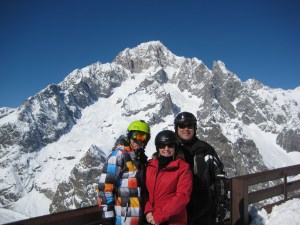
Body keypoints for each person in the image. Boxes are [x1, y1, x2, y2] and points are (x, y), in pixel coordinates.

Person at [174, 112, 228, 225]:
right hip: (179, 210)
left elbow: (220, 175)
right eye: (182, 126)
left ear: (195, 128)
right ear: (176, 128)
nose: (186, 129)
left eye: (190, 125)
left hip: (205, 209)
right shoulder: (171, 150)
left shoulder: (205, 149)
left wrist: (222, 203)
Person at [97, 120, 151, 225]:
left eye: (143, 137)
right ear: (129, 136)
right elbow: (104, 188)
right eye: (136, 136)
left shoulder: (139, 159)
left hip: (139, 219)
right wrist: (108, 217)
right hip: (123, 219)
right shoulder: (118, 155)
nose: (139, 140)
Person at [144, 130, 192, 225]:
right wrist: (148, 211)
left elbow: (182, 196)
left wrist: (159, 216)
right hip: (150, 219)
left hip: (172, 221)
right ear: (158, 147)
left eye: (170, 145)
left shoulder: (183, 167)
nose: (166, 148)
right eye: (162, 145)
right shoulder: (150, 166)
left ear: (175, 147)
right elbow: (144, 191)